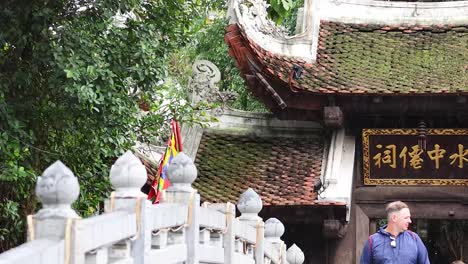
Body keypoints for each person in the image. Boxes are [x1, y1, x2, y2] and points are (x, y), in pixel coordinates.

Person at [360, 201, 430, 264]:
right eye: (406, 218)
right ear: (394, 218)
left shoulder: (414, 239)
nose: (410, 221)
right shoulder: (372, 241)